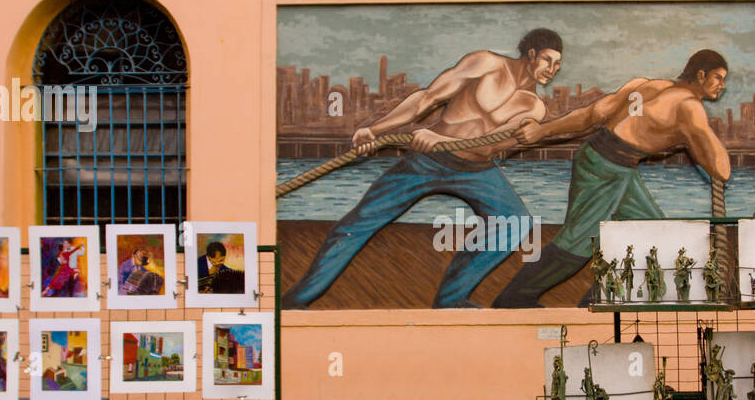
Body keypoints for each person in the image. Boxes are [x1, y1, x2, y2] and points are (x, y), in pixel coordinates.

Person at [283, 29, 562, 309]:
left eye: (558, 65)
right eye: (548, 60)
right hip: (425, 161)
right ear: (532, 54)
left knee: (515, 221)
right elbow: (426, 98)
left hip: (476, 171)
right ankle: (296, 301)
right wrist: (375, 130)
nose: (552, 70)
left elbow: (490, 147)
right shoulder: (486, 63)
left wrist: (443, 140)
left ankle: (451, 300)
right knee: (356, 224)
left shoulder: (534, 107)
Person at [492, 49, 731, 307]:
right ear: (700, 74)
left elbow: (592, 114)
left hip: (614, 165)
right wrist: (699, 137)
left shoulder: (646, 86)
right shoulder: (689, 106)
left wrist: (543, 131)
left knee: (655, 232)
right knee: (579, 240)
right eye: (717, 78)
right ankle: (514, 297)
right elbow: (722, 170)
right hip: (606, 168)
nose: (722, 86)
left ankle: (600, 298)